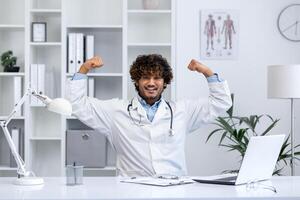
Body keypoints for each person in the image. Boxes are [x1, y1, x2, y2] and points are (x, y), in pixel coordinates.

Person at [66, 54, 232, 177]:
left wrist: (206, 71)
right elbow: (77, 104)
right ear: (137, 81)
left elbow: (221, 102)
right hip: (132, 190)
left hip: (173, 189)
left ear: (164, 81)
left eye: (157, 78)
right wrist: (84, 68)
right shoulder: (116, 111)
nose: (151, 83)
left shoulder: (182, 111)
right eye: (145, 77)